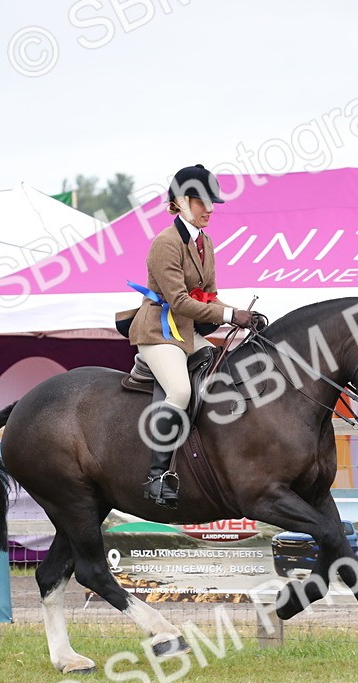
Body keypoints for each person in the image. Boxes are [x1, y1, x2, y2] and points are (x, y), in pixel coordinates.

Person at [127, 164, 256, 508]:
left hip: (186, 332)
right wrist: (230, 316)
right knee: (181, 391)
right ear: (181, 202)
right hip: (158, 332)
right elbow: (180, 301)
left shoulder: (205, 242)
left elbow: (208, 297)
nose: (209, 209)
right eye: (201, 202)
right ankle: (157, 477)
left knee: (221, 375)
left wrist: (243, 315)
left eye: (211, 202)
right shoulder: (165, 243)